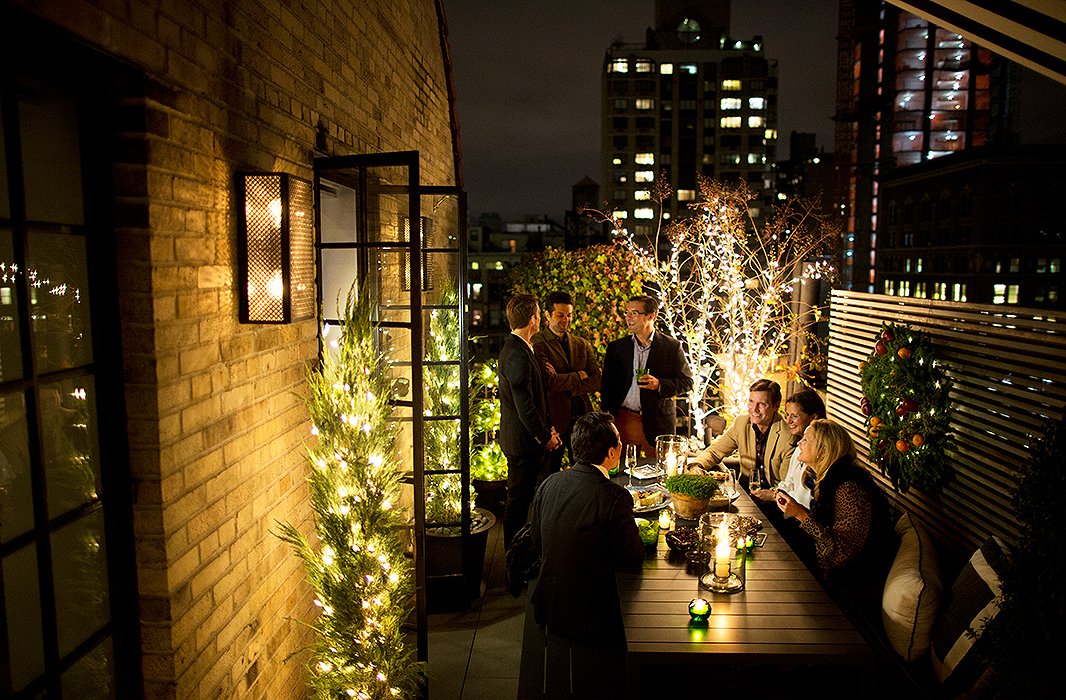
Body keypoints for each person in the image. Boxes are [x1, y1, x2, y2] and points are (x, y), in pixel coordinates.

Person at [527, 411, 645, 697]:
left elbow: (537, 541)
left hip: (549, 604)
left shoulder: (550, 483)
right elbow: (633, 557)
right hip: (591, 617)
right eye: (618, 441)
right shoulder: (614, 496)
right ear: (611, 452)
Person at [775, 419, 895, 615]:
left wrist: (800, 514)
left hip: (852, 586)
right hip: (827, 573)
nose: (799, 443)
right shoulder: (824, 478)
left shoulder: (848, 487)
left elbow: (839, 553)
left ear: (822, 449)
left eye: (805, 440)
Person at [499, 294, 561, 548]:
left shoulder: (524, 348)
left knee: (525, 500)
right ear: (532, 319)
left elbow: (536, 397)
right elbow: (524, 407)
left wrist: (549, 427)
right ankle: (513, 559)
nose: (540, 318)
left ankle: (524, 551)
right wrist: (545, 437)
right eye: (538, 314)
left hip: (526, 441)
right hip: (522, 445)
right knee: (518, 503)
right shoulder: (517, 354)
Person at [601, 295, 693, 457]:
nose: (628, 318)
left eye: (634, 313)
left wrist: (659, 385)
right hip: (625, 419)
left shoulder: (671, 347)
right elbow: (607, 387)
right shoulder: (617, 348)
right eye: (626, 313)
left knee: (661, 471)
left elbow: (687, 382)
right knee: (622, 470)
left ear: (651, 316)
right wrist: (608, 418)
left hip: (658, 421)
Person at [532, 291, 601, 477]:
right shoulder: (538, 343)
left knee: (585, 475)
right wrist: (580, 374)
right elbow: (548, 383)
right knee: (547, 475)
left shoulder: (581, 344)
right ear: (547, 315)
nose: (566, 319)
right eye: (560, 315)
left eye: (569, 315)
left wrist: (568, 385)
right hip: (553, 422)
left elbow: (596, 379)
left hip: (581, 420)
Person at [690, 378, 792, 490]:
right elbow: (715, 452)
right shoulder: (742, 423)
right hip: (745, 493)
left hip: (773, 501)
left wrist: (772, 496)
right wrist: (697, 466)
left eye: (762, 404)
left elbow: (788, 484)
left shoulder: (788, 436)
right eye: (751, 402)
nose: (754, 409)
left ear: (776, 406)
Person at [775, 389, 827, 511]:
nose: (788, 421)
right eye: (787, 415)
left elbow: (808, 498)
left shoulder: (823, 452)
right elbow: (789, 481)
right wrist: (778, 492)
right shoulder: (799, 447)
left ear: (813, 417)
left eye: (795, 416)